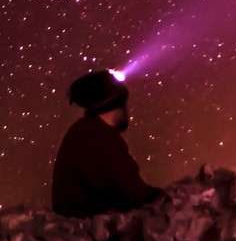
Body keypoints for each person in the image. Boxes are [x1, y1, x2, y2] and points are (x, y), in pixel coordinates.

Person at [50, 70, 164, 217]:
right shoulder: (100, 136)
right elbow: (132, 188)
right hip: (87, 224)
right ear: (117, 105)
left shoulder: (85, 130)